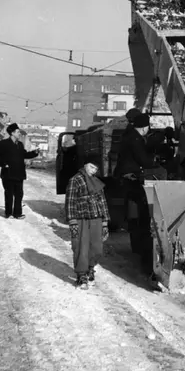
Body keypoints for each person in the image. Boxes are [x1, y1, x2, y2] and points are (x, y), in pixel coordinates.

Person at [114, 112, 166, 288]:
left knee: (139, 218)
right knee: (145, 218)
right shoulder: (135, 139)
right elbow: (144, 159)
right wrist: (157, 162)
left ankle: (141, 248)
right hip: (132, 180)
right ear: (144, 127)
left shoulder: (130, 135)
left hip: (126, 178)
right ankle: (146, 257)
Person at [65, 154, 110, 290]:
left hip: (97, 219)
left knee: (96, 248)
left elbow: (103, 202)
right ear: (85, 165)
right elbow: (70, 201)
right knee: (81, 248)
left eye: (95, 169)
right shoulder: (75, 180)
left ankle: (90, 268)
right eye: (91, 167)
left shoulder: (97, 182)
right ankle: (81, 275)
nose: (93, 170)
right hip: (81, 219)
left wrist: (105, 221)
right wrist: (72, 221)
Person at [0, 122, 40, 219]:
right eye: (17, 132)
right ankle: (8, 213)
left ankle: (17, 213)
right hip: (8, 173)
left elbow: (24, 155)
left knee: (19, 194)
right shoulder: (4, 143)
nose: (19, 134)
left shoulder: (20, 144)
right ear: (12, 133)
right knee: (9, 194)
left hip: (19, 174)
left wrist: (35, 153)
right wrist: (3, 164)